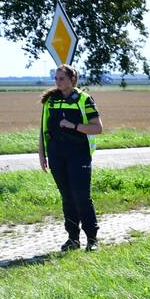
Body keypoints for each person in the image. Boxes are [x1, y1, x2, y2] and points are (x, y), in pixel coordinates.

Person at [38, 65, 103, 251]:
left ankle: (92, 239)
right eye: (56, 78)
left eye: (61, 79)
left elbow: (97, 128)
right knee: (67, 197)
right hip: (57, 154)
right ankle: (73, 239)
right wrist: (42, 154)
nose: (57, 82)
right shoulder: (50, 101)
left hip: (78, 153)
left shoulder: (84, 99)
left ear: (72, 79)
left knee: (81, 197)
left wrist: (73, 125)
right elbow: (43, 129)